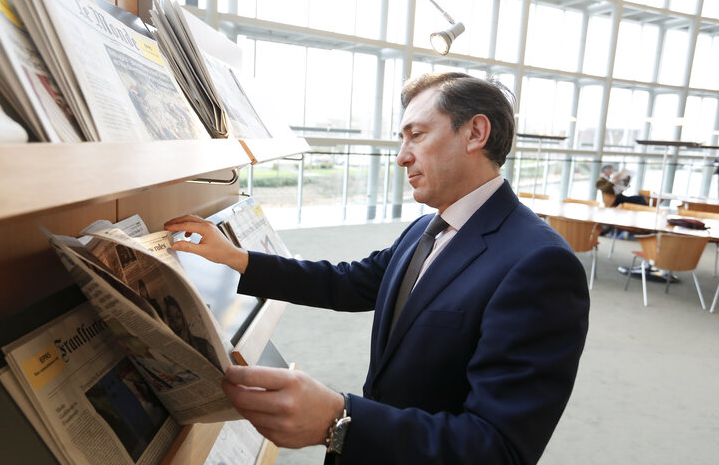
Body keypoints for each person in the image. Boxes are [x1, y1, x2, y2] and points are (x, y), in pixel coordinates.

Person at [164, 72, 590, 464]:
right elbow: (349, 282)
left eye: (417, 135)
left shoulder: (540, 265)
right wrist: (238, 258)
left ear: (475, 133)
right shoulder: (428, 227)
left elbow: (498, 448)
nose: (402, 156)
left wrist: (339, 418)